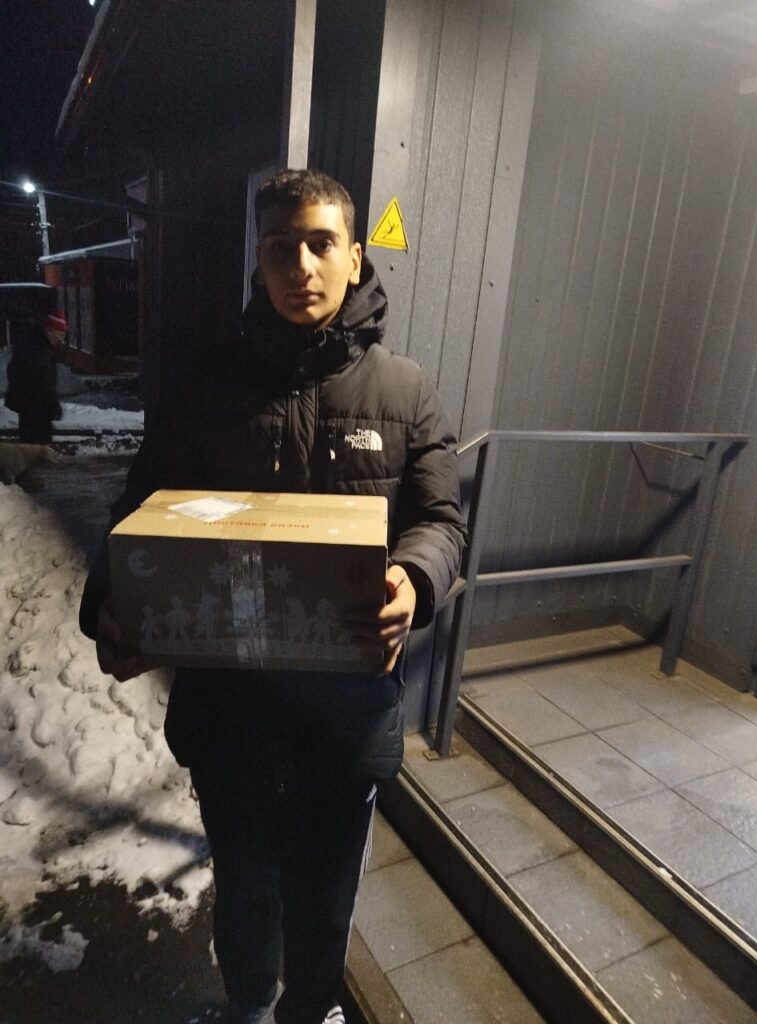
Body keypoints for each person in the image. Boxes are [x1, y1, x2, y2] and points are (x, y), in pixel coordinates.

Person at [79, 169, 466, 1024]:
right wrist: (112, 599)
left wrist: (416, 579)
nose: (301, 266)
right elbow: (139, 508)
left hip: (345, 716)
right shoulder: (204, 384)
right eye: (281, 247)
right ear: (258, 260)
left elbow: (442, 521)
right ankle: (250, 1004)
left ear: (355, 255)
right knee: (246, 887)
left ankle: (311, 1010)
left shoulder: (405, 392)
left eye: (321, 244)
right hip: (232, 711)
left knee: (325, 900)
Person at [5, 308, 66, 442]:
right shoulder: (40, 350)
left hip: (29, 408)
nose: (61, 339)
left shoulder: (33, 343)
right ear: (50, 330)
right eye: (59, 334)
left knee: (30, 445)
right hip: (37, 410)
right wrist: (52, 404)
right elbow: (43, 381)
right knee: (38, 448)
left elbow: (12, 370)